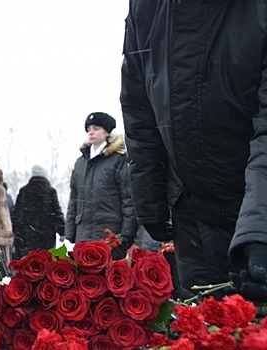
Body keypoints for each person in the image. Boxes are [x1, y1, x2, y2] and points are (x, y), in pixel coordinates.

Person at [120, 1, 266, 299]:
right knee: (207, 328)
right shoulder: (146, 7)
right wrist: (150, 196)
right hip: (193, 213)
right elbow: (139, 104)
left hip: (254, 205)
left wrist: (259, 228)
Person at [65, 112, 138, 260]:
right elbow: (73, 202)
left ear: (107, 132)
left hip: (109, 235)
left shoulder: (119, 160)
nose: (91, 132)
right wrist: (69, 236)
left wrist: (125, 238)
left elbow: (128, 200)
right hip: (82, 236)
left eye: (96, 128)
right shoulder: (80, 164)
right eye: (89, 129)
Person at [11, 165, 65, 260]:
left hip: (25, 234)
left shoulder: (24, 191)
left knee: (25, 262)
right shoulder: (50, 191)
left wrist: (13, 228)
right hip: (45, 234)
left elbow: (17, 212)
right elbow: (56, 212)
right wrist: (62, 231)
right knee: (44, 262)